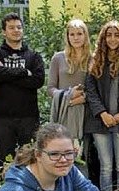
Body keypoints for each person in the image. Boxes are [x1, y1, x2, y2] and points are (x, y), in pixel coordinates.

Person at [0, 12, 45, 162]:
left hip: (29, 116)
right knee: (4, 160)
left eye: (19, 27)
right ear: (3, 32)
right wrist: (24, 72)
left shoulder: (33, 56)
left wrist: (6, 75)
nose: (16, 30)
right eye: (11, 27)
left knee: (31, 159)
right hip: (3, 117)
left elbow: (37, 81)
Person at [85, 20, 119, 191]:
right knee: (105, 166)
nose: (112, 39)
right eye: (108, 35)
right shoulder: (96, 60)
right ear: (103, 38)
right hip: (100, 122)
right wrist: (103, 114)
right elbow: (91, 91)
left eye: (116, 35)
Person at [48, 19, 91, 148]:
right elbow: (50, 88)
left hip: (87, 115)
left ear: (85, 35)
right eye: (72, 34)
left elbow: (99, 90)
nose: (75, 38)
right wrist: (68, 96)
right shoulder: (58, 58)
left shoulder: (93, 59)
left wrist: (82, 99)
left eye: (79, 34)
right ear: (67, 37)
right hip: (63, 113)